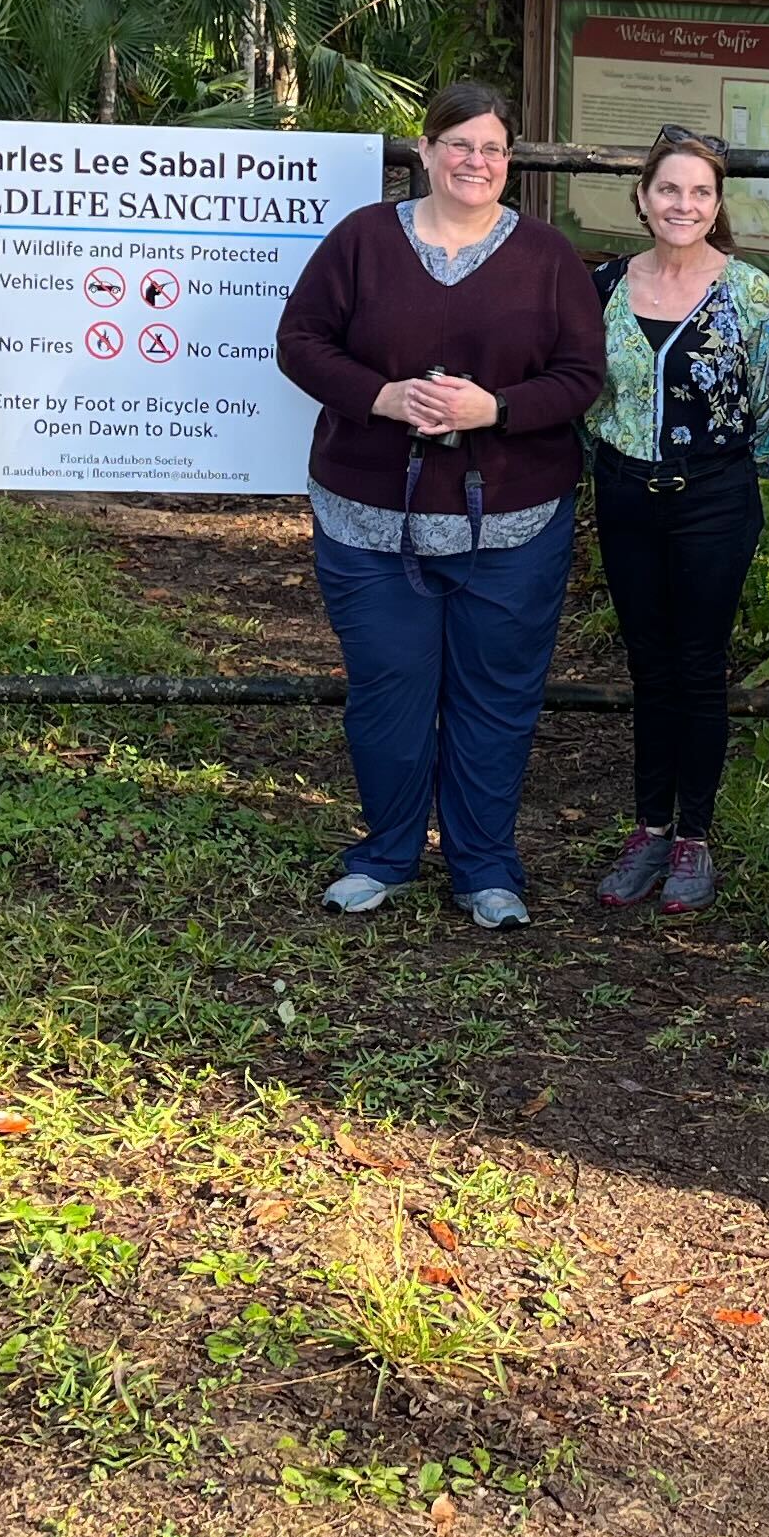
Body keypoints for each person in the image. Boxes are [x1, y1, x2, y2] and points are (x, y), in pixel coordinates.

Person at [275, 82, 607, 927]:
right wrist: (381, 397)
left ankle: (484, 866)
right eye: (459, 144)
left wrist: (492, 409)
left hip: (514, 521)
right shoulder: (360, 242)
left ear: (511, 162)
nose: (476, 162)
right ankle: (385, 853)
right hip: (368, 517)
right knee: (389, 689)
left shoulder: (547, 257)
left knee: (495, 694)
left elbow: (580, 378)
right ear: (423, 151)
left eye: (494, 148)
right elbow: (300, 343)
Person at [586, 128, 769, 918]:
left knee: (699, 664)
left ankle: (694, 838)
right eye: (669, 189)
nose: (684, 204)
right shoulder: (603, 284)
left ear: (716, 205)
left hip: (713, 496)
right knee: (647, 663)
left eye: (700, 192)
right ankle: (648, 828)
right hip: (626, 493)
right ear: (642, 197)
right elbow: (583, 392)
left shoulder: (750, 292)